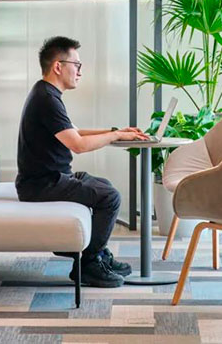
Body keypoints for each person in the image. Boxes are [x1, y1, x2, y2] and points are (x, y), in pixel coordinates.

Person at [16, 36, 148, 288]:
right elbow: (78, 145)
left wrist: (116, 131)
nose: (80, 71)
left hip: (51, 178)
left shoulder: (46, 93)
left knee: (103, 185)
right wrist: (116, 136)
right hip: (42, 185)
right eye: (76, 65)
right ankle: (89, 264)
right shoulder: (47, 99)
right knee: (110, 197)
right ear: (58, 66)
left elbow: (75, 132)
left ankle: (97, 253)